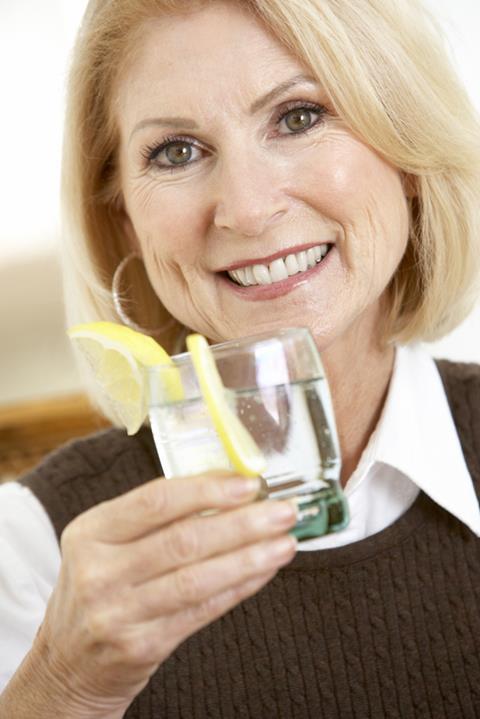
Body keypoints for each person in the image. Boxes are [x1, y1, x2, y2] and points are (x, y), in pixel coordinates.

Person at [1, 0, 479, 716]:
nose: (247, 210)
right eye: (177, 152)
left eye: (299, 116)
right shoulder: (34, 545)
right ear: (124, 216)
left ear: (403, 148)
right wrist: (65, 687)